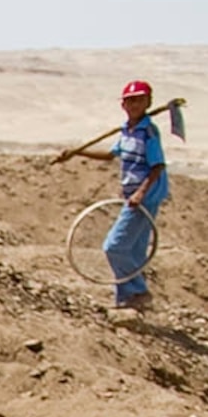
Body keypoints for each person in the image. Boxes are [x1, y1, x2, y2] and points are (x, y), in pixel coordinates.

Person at [67, 79, 170, 313]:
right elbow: (111, 155)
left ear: (148, 102)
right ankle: (127, 301)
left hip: (144, 197)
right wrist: (78, 152)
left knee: (114, 247)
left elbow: (158, 166)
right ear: (123, 105)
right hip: (133, 195)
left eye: (140, 100)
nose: (134, 104)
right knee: (133, 250)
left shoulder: (148, 132)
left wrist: (140, 193)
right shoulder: (127, 131)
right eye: (130, 100)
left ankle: (139, 292)